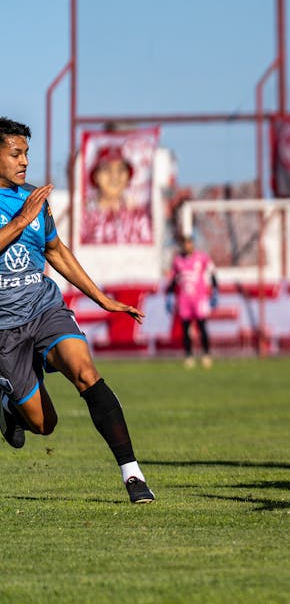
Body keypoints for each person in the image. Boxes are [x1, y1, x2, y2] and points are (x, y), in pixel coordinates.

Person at [0, 117, 154, 503]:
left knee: (86, 373)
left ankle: (133, 476)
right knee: (43, 424)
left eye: (27, 154)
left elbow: (55, 252)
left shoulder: (34, 199)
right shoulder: (25, 209)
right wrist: (20, 221)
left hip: (44, 307)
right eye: (15, 153)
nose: (24, 162)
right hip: (5, 329)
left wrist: (100, 298)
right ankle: (6, 405)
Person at [81, 145, 152, 244]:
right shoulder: (82, 217)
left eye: (121, 169)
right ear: (95, 176)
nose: (114, 176)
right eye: (106, 169)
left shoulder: (139, 218)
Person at [166, 235, 217, 369]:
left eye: (190, 244)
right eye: (185, 244)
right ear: (182, 246)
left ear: (193, 245)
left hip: (199, 298)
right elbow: (173, 279)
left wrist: (215, 290)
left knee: (202, 326)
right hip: (184, 299)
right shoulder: (177, 261)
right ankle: (188, 356)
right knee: (185, 328)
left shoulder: (202, 258)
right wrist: (170, 295)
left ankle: (206, 354)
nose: (187, 246)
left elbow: (212, 272)